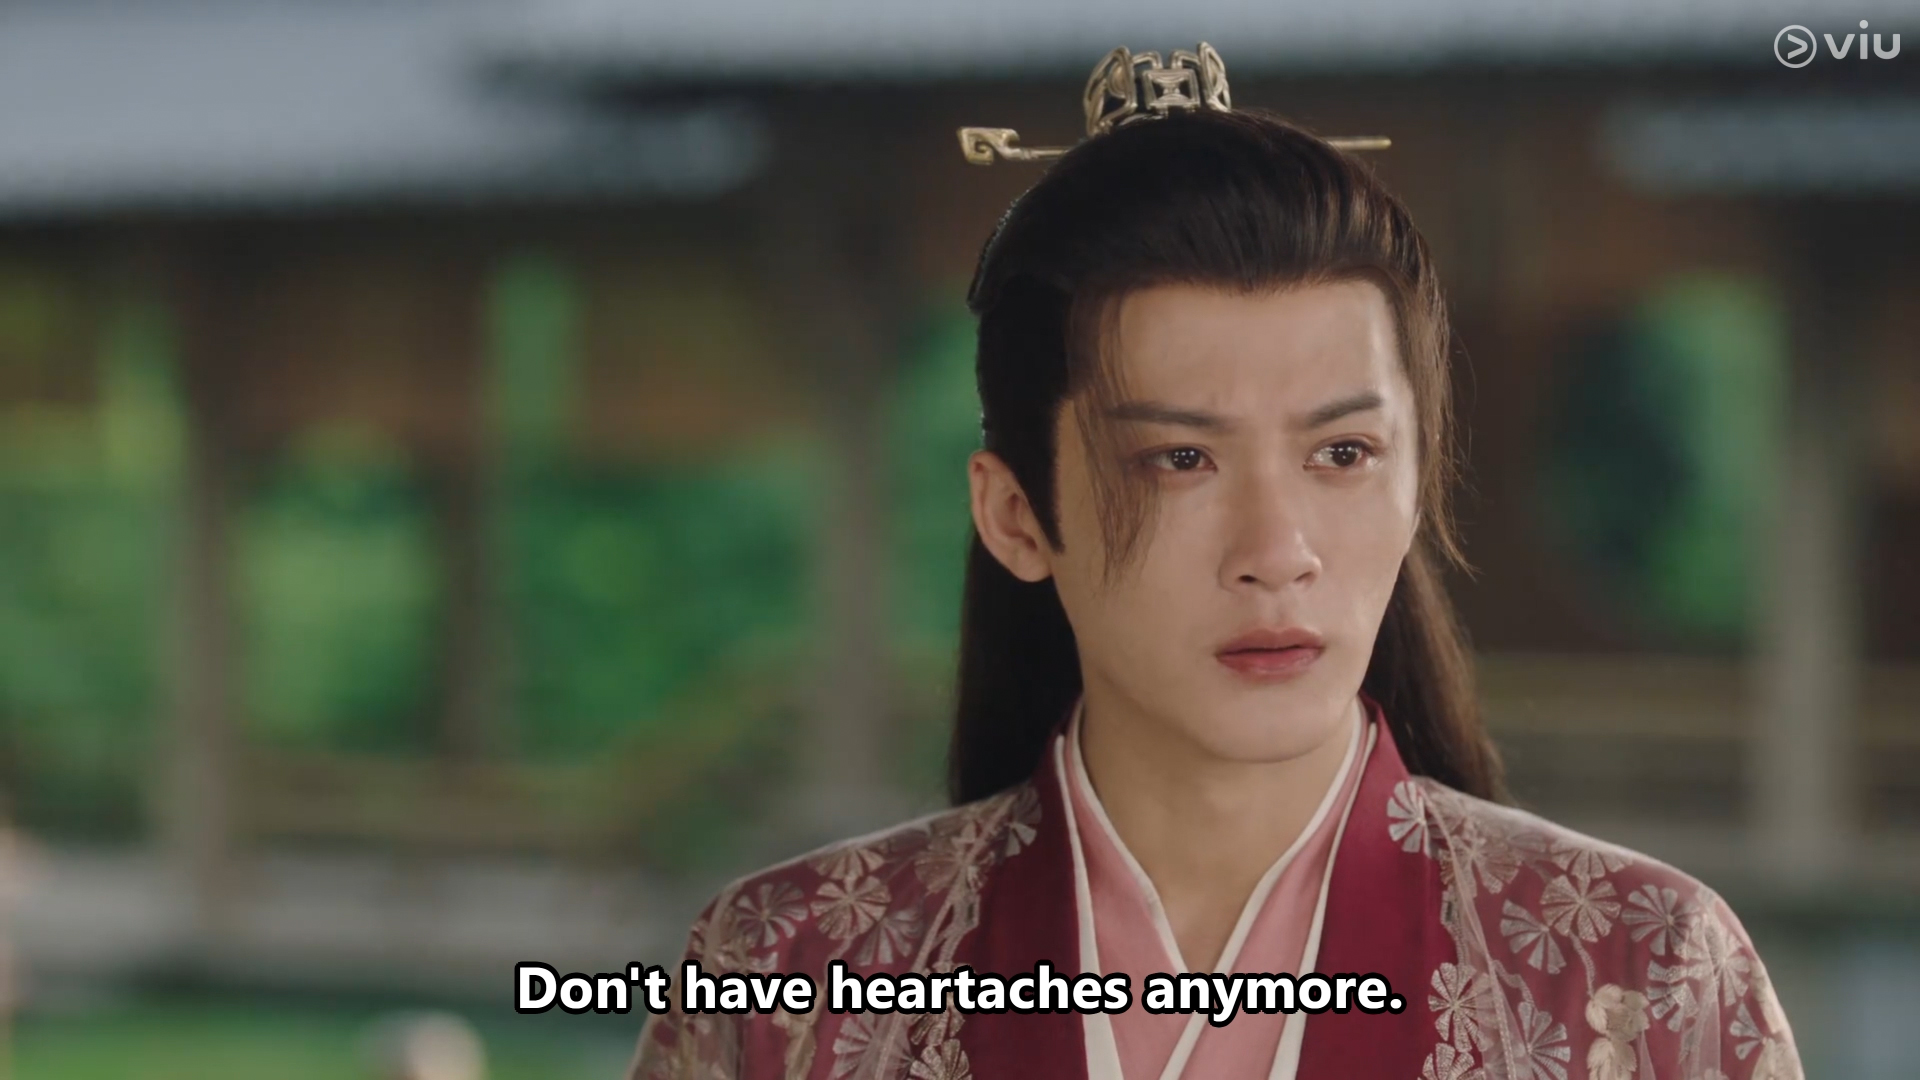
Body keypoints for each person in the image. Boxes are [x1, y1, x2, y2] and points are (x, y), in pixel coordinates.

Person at [629, 44, 1801, 1080]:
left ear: (1419, 479)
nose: (1277, 553)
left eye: (1343, 453)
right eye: (1180, 459)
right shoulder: (786, 976)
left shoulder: (1647, 974)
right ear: (1016, 515)